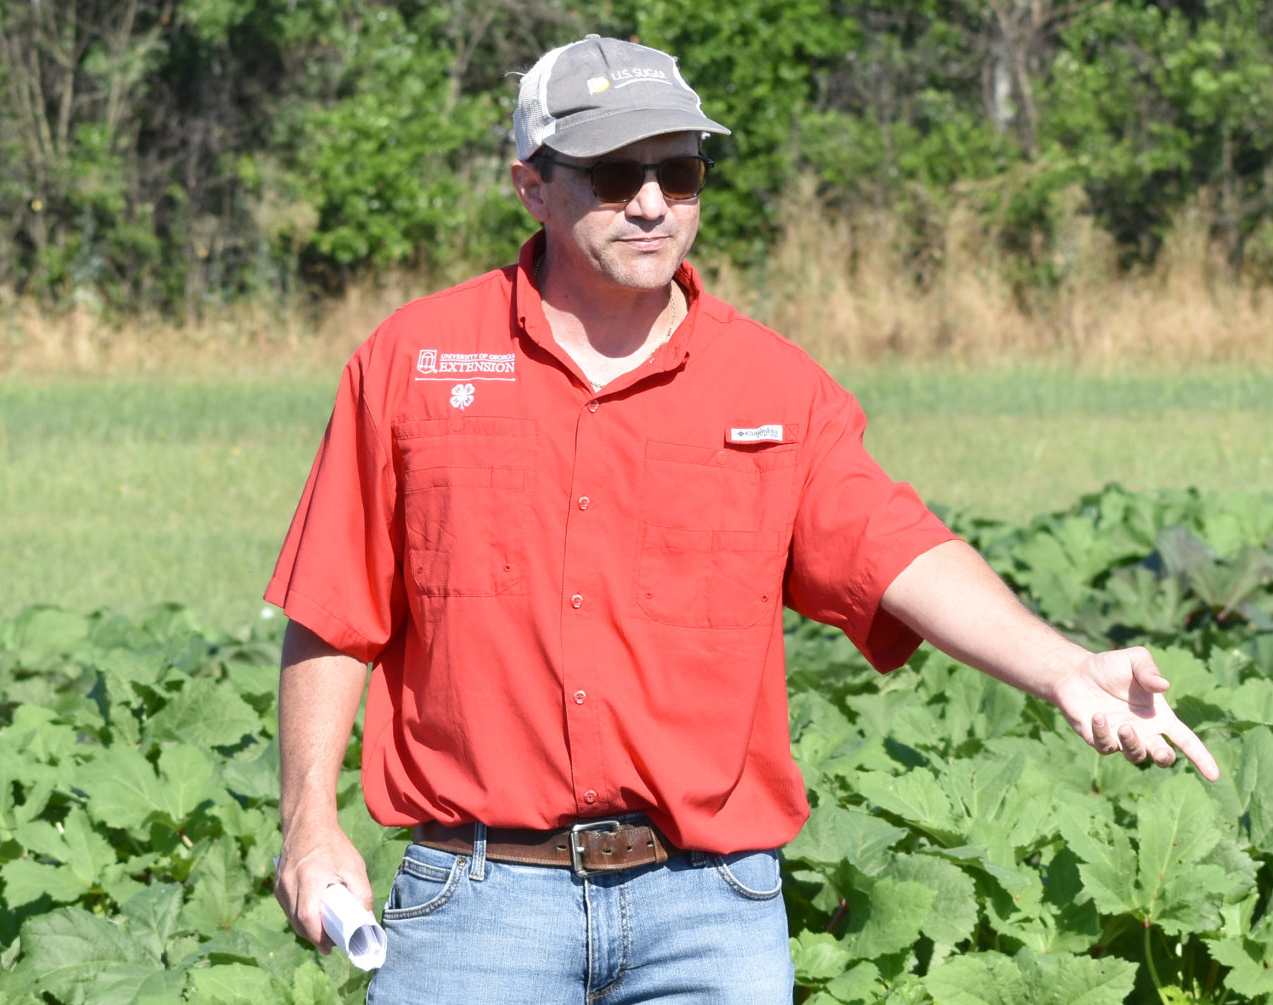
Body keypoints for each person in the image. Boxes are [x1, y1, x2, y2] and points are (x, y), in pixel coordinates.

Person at [267, 34, 1220, 1004]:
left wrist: (1064, 667)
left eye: (678, 173)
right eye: (612, 174)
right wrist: (309, 819)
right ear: (531, 186)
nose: (650, 204)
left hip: (709, 913)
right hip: (479, 906)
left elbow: (895, 548)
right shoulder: (414, 363)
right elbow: (336, 607)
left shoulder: (770, 384)